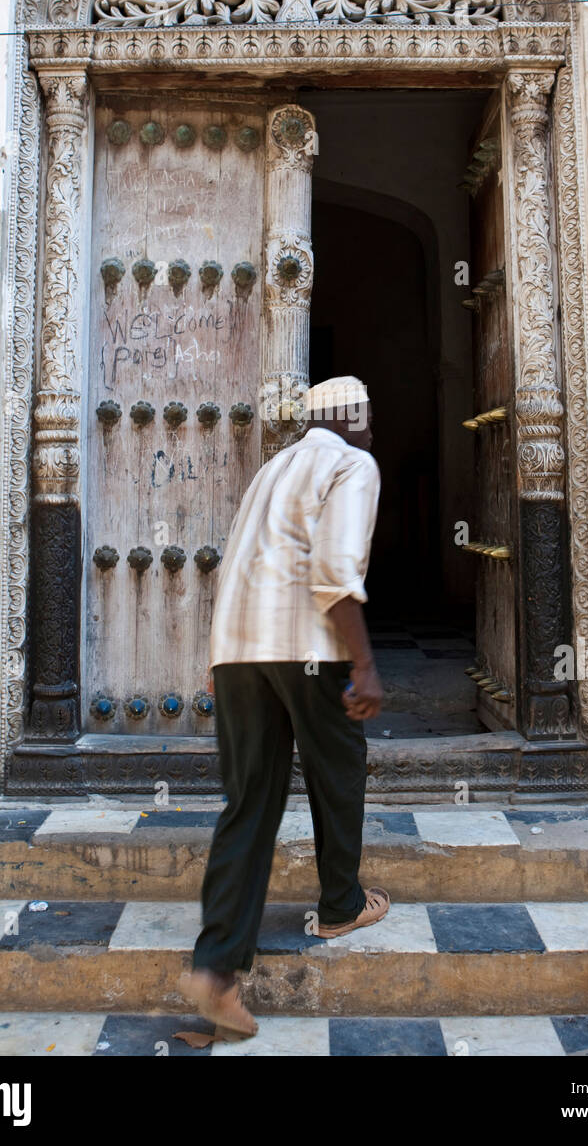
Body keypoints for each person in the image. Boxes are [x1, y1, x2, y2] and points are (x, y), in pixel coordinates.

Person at [179, 376, 389, 1036]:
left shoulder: (274, 467)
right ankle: (340, 904)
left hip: (240, 650)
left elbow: (237, 562)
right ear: (351, 418)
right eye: (370, 418)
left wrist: (219, 661)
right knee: (338, 768)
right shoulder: (353, 462)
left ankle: (214, 971)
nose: (375, 430)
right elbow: (334, 571)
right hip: (307, 647)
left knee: (249, 804)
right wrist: (364, 664)